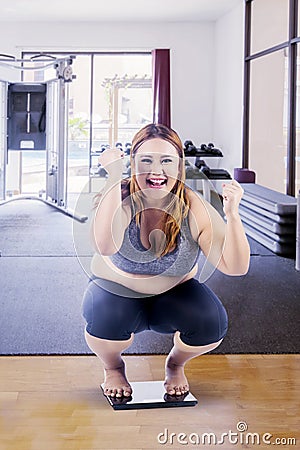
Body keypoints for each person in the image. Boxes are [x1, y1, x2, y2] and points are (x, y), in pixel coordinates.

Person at [82, 123, 250, 399]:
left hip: (172, 297)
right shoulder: (120, 199)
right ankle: (113, 368)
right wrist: (113, 176)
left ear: (179, 166)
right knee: (105, 315)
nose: (156, 170)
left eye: (166, 161)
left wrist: (232, 215)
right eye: (145, 160)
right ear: (132, 163)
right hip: (116, 294)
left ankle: (175, 364)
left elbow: (235, 267)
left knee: (211, 322)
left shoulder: (193, 206)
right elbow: (105, 244)